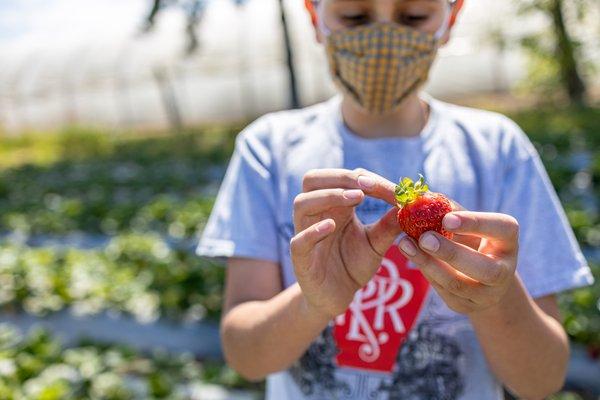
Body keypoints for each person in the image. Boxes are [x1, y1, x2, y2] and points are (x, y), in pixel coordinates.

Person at [197, 0, 594, 399]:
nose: (384, 37)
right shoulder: (269, 150)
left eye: (414, 17)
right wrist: (312, 304)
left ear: (450, 18)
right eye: (354, 17)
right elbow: (245, 356)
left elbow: (541, 381)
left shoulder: (497, 151)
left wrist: (496, 297)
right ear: (316, 17)